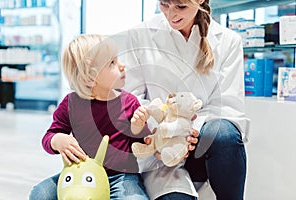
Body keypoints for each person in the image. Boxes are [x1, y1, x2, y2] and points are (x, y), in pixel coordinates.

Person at [118, 0, 250, 199]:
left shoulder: (228, 41)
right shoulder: (139, 35)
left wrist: (189, 132)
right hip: (159, 152)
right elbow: (131, 102)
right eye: (164, 4)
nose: (171, 14)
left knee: (223, 133)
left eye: (180, 7)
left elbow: (228, 107)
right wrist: (160, 135)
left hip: (205, 148)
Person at [29, 34, 152, 200]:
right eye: (112, 63)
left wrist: (138, 127)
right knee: (40, 194)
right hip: (80, 176)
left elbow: (141, 145)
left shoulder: (129, 102)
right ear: (90, 79)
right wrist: (57, 140)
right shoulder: (71, 104)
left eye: (118, 59)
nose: (122, 66)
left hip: (120, 177)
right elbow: (49, 137)